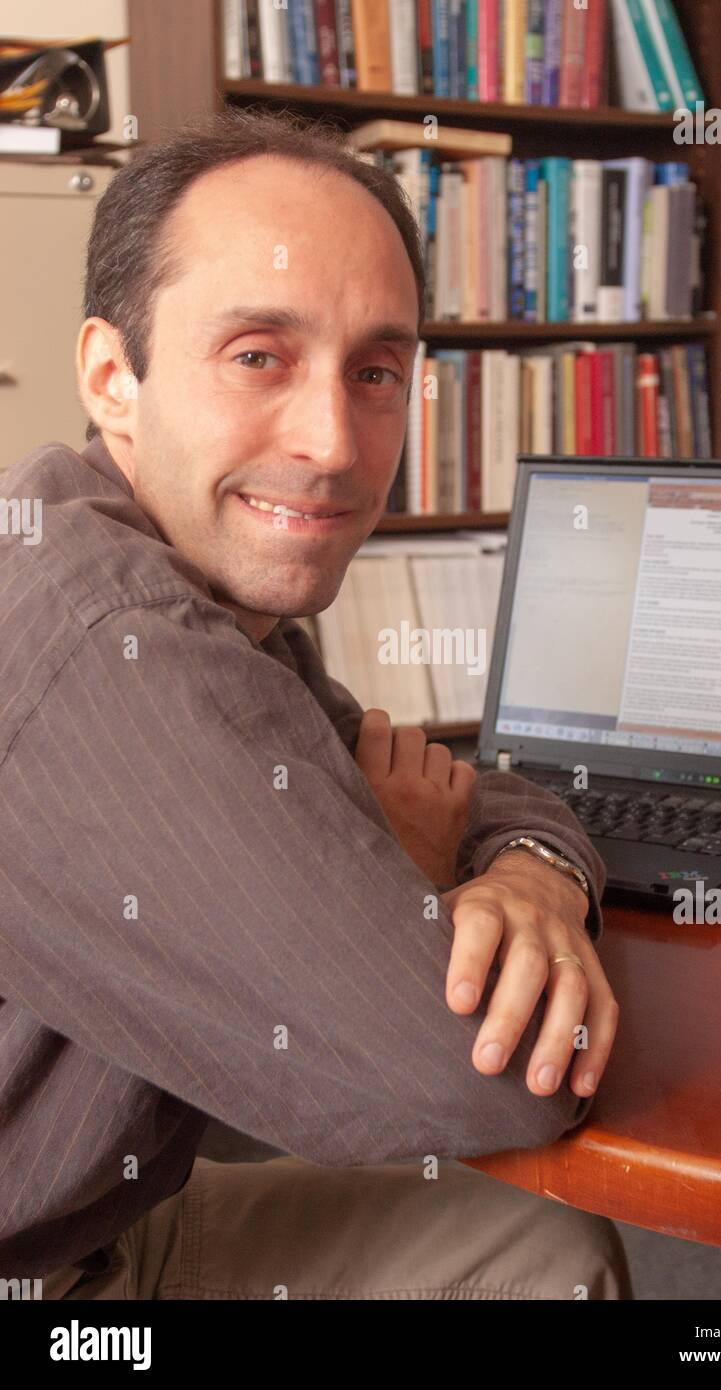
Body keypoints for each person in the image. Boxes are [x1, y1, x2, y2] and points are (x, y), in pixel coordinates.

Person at [0, 109, 630, 1301]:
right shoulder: (113, 646)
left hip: (104, 1219)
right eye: (258, 355)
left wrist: (532, 872)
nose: (334, 442)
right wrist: (406, 867)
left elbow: (467, 789)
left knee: (540, 1254)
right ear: (109, 376)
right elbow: (487, 1078)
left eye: (377, 371)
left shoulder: (179, 576)